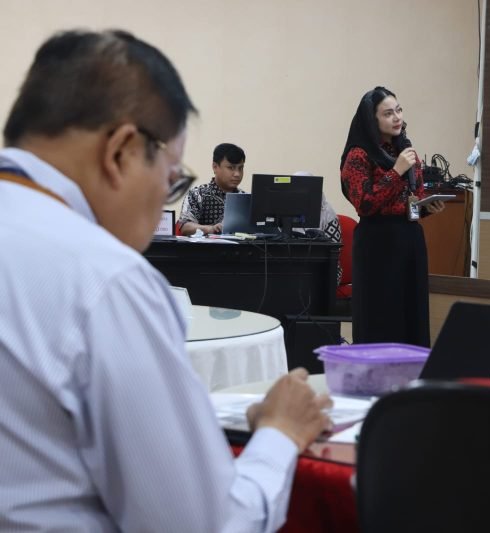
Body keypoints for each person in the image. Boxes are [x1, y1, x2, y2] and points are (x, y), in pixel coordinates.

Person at [0, 29, 331, 532]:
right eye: (172, 176)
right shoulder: (104, 280)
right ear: (121, 152)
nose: (165, 197)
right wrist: (281, 432)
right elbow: (205, 523)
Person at [340, 86, 445, 346]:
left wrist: (426, 207)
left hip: (409, 240)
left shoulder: (406, 152)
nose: (397, 117)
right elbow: (364, 204)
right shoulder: (358, 155)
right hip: (377, 244)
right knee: (380, 316)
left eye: (398, 110)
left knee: (411, 313)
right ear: (372, 120)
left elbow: (413, 198)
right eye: (388, 113)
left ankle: (411, 368)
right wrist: (396, 171)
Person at [178, 142, 246, 235]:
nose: (237, 174)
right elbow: (184, 226)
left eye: (240, 168)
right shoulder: (198, 194)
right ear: (215, 167)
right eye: (231, 168)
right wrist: (210, 229)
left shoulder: (245, 198)